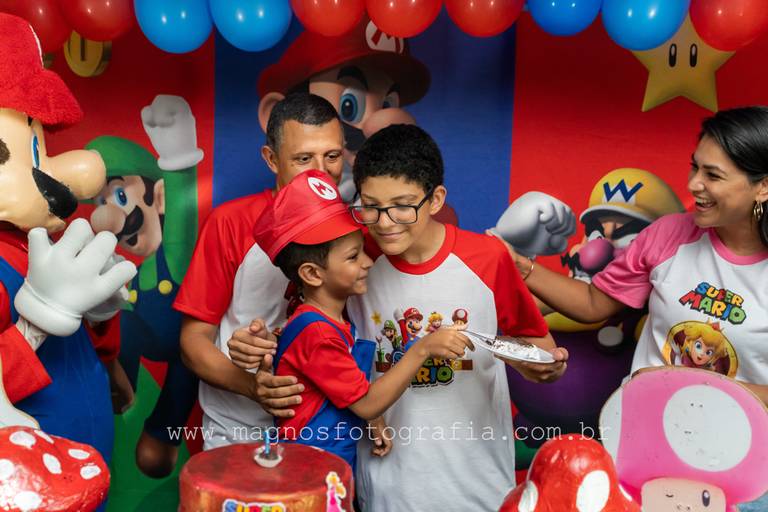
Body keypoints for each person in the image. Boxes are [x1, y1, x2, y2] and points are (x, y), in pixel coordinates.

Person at [231, 124, 569, 511]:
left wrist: (539, 365)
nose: (385, 222)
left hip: (478, 482)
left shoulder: (487, 258)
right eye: (371, 206)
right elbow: (306, 333)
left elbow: (537, 344)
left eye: (403, 206)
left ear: (436, 199)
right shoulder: (353, 261)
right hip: (386, 485)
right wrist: (255, 346)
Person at [493, 107, 768, 511]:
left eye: (713, 175)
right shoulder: (670, 234)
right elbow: (594, 304)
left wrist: (686, 384)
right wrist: (522, 267)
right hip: (643, 450)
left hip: (742, 468)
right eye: (695, 167)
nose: (694, 184)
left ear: (763, 187)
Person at [251, 169, 471, 469]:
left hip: (333, 465)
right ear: (312, 274)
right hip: (308, 469)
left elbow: (347, 393)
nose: (368, 262)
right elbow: (366, 403)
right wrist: (423, 348)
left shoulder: (334, 323)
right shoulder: (317, 332)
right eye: (353, 256)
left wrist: (374, 417)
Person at [172, 92, 345, 449]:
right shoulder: (231, 223)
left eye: (332, 156)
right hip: (238, 436)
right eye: (303, 159)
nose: (321, 172)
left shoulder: (358, 229)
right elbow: (193, 342)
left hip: (330, 434)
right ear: (271, 159)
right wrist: (253, 385)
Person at [0, 13, 137, 459]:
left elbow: (80, 338)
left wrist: (101, 319)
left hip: (83, 456)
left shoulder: (30, 237)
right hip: (27, 474)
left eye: (37, 145)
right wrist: (36, 322)